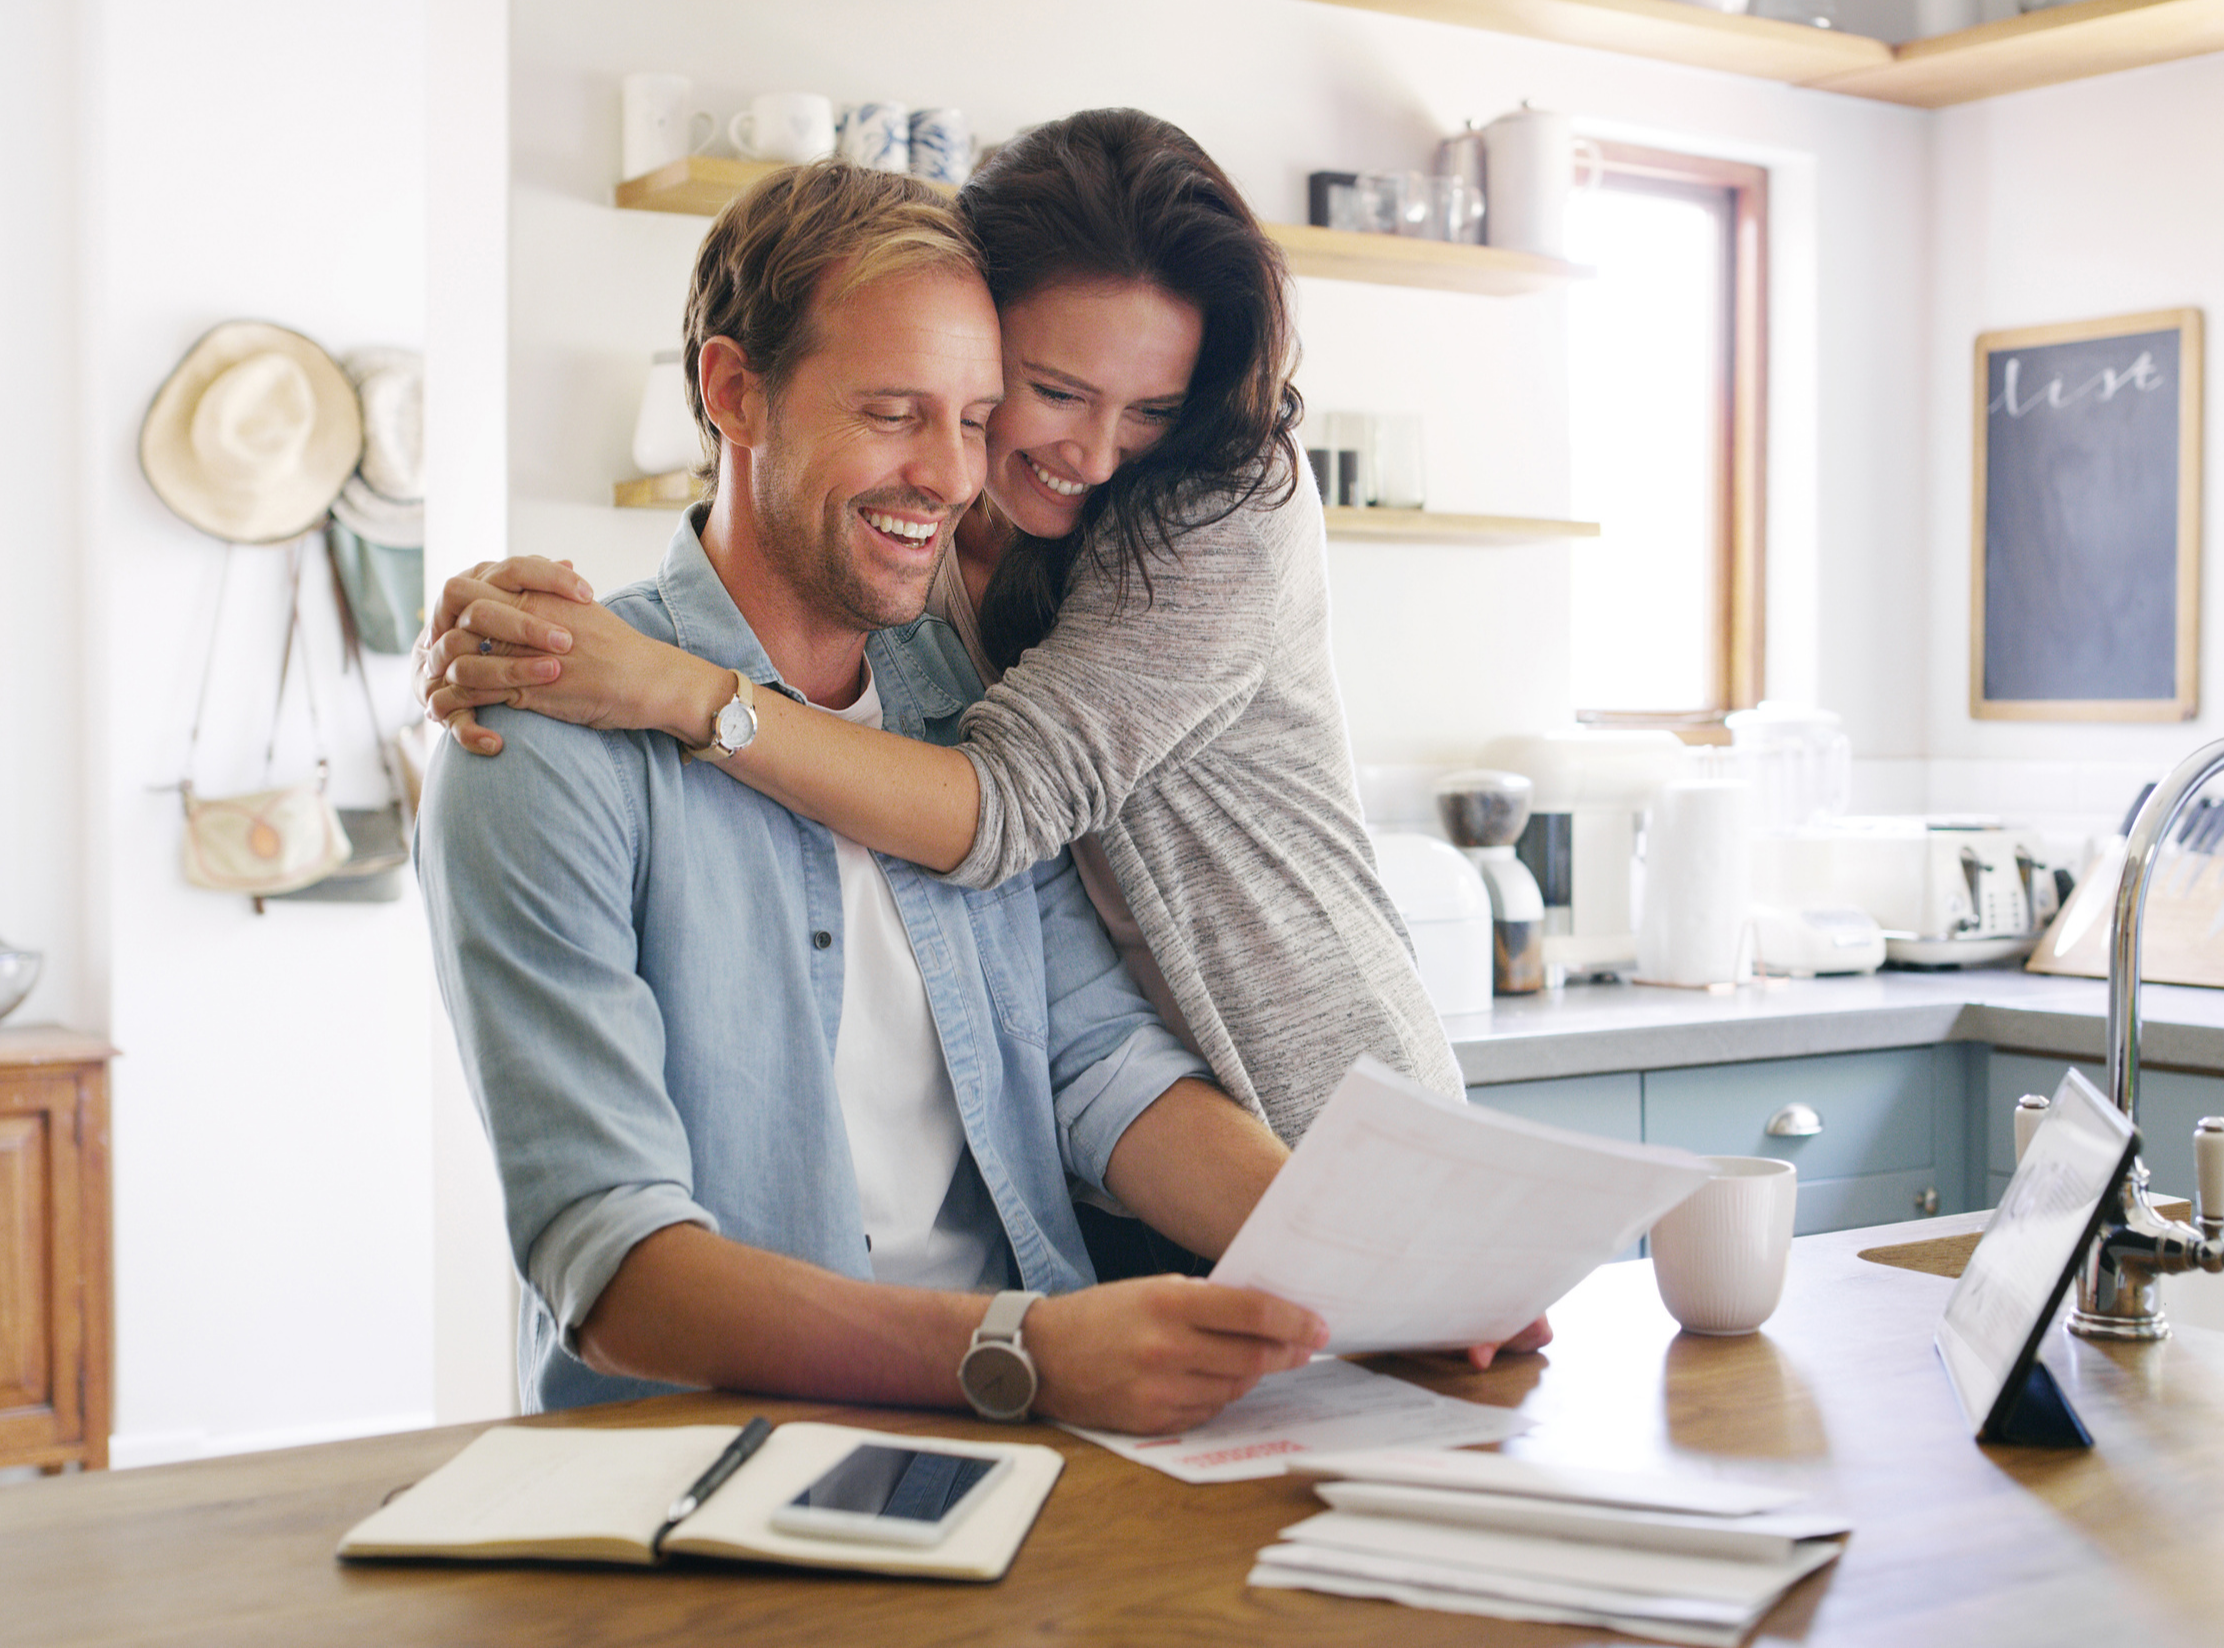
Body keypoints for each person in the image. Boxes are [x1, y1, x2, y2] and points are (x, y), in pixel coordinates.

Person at [417, 160, 1332, 1432]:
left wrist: (1367, 1263)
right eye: (895, 412)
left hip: (1021, 1430)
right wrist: (1026, 1350)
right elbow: (612, 1261)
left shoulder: (959, 708)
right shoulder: (543, 738)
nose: (952, 475)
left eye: (975, 416)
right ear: (734, 392)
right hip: (709, 1468)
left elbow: (1097, 1063)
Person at [417, 109, 1466, 1159]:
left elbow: (1003, 803)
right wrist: (510, 622)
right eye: (1052, 392)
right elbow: (775, 525)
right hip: (1112, 1157)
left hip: (1323, 1114)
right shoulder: (928, 541)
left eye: (1151, 407)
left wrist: (674, 687)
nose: (1100, 455)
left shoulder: (1220, 511)